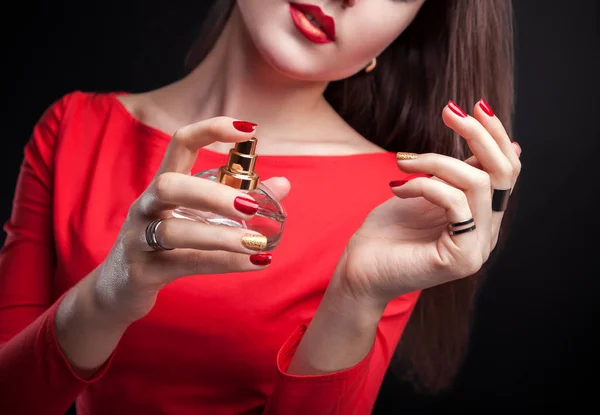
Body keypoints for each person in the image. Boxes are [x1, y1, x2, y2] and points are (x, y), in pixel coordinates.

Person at [0, 0, 521, 414]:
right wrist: (110, 293)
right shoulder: (75, 129)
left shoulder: (400, 203)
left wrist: (356, 296)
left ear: (402, 32)